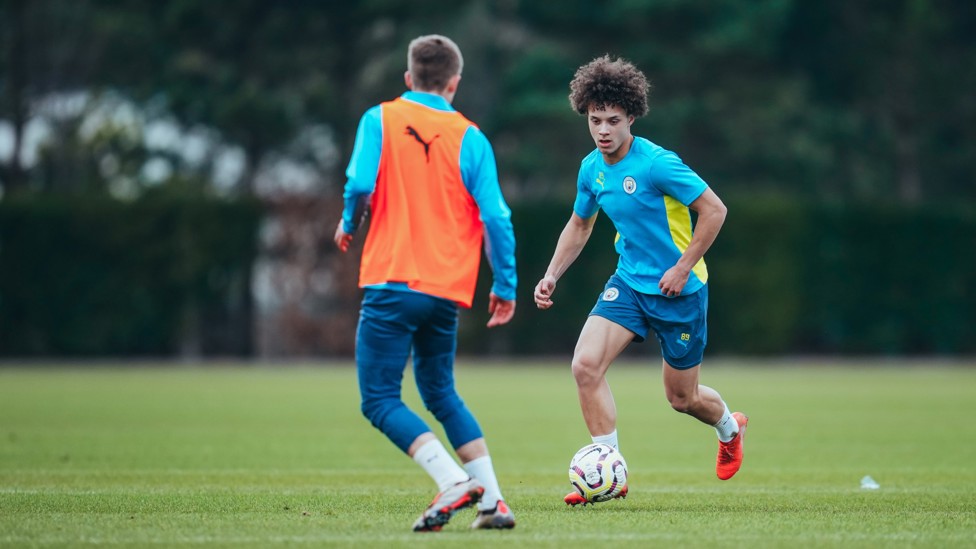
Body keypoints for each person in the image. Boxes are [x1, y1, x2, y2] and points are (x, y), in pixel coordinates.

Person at [532, 55, 748, 506]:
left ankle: (729, 428)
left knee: (682, 399)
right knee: (585, 366)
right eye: (595, 121)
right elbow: (580, 225)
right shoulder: (590, 168)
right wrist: (551, 274)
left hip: (680, 292)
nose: (603, 130)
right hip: (629, 283)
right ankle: (610, 473)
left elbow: (715, 210)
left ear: (631, 116)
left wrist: (683, 265)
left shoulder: (657, 164)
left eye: (613, 120)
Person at [334, 35, 517, 531]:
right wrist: (506, 284)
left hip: (394, 281)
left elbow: (357, 184)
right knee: (440, 394)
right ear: (454, 84)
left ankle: (453, 481)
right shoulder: (471, 136)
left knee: (378, 399)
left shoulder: (381, 118)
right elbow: (497, 217)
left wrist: (350, 224)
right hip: (446, 290)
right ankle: (493, 502)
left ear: (409, 78)